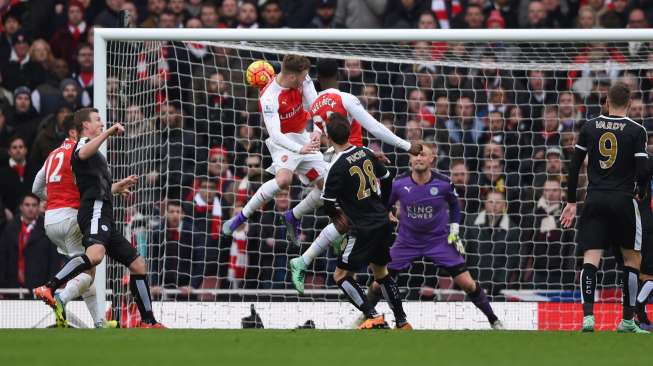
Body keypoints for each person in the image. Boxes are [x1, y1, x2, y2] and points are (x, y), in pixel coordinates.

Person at [288, 58, 422, 293]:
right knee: (354, 215)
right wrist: (407, 145)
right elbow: (375, 127)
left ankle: (295, 217)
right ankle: (304, 259)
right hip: (350, 160)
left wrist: (368, 154)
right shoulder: (346, 98)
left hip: (340, 158)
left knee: (346, 212)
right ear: (339, 76)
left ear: (318, 79)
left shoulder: (316, 103)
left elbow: (322, 137)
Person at [33, 108, 163, 328]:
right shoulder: (81, 145)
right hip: (92, 210)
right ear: (85, 126)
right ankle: (51, 288)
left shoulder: (84, 152)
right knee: (94, 257)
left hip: (102, 212)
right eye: (98, 120)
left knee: (138, 264)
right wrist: (109, 132)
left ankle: (149, 321)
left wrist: (116, 187)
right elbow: (82, 155)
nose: (102, 123)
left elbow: (89, 185)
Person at [366, 143, 503, 329]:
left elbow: (454, 205)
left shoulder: (444, 183)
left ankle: (494, 320)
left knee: (468, 284)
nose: (419, 158)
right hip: (407, 242)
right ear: (410, 159)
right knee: (377, 284)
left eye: (423, 155)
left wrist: (454, 229)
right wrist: (388, 212)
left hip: (438, 242)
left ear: (432, 159)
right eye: (415, 155)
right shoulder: (398, 184)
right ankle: (365, 317)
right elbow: (385, 203)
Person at [561, 82, 649, 333]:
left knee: (591, 258)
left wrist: (570, 202)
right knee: (632, 259)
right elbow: (643, 170)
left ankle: (588, 317)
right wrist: (640, 191)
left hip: (595, 199)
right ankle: (628, 321)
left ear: (607, 101)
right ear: (629, 103)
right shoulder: (637, 130)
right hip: (623, 199)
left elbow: (574, 165)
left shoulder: (590, 126)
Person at [318, 113, 410, 329]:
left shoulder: (336, 167)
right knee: (381, 273)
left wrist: (339, 219)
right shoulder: (367, 152)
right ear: (350, 133)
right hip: (381, 222)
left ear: (328, 138)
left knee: (340, 275)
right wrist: (385, 207)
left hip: (362, 227)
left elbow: (328, 203)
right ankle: (402, 321)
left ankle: (372, 314)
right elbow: (387, 178)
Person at [222, 55, 326, 239]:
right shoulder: (269, 97)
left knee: (324, 187)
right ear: (293, 77)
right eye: (302, 77)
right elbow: (275, 134)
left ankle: (293, 216)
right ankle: (240, 217)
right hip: (283, 143)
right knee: (283, 180)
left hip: (303, 137)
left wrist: (317, 131)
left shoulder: (304, 78)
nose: (306, 80)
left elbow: (316, 106)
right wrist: (298, 149)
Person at [31, 115, 117, 328]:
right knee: (89, 269)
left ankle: (99, 322)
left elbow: (35, 188)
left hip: (50, 221)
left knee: (85, 272)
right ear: (74, 132)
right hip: (71, 218)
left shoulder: (52, 154)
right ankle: (60, 297)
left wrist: (53, 200)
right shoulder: (79, 152)